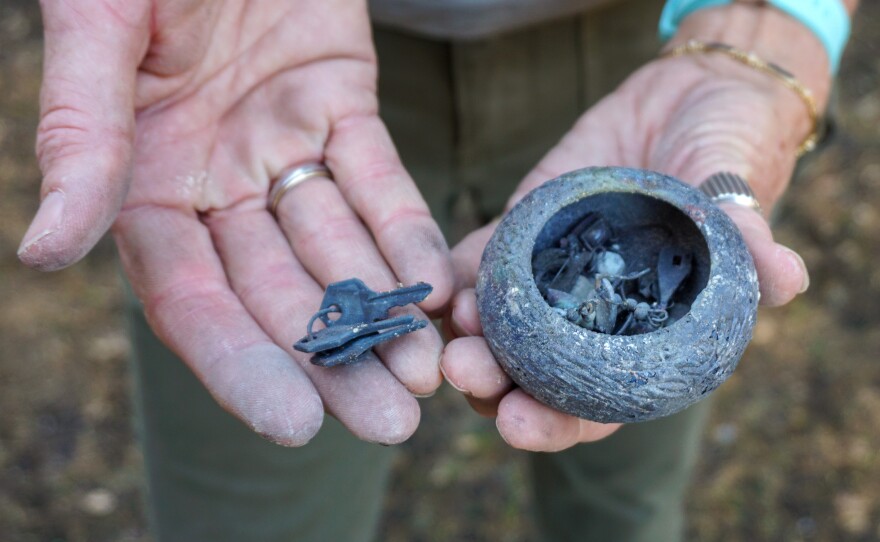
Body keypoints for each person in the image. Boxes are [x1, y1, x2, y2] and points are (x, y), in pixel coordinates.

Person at [18, 0, 857, 540]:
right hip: (252, 46)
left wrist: (773, 19)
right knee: (254, 507)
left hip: (642, 42)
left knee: (623, 502)